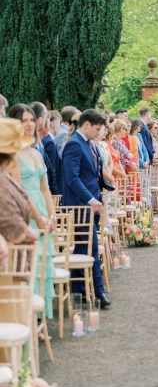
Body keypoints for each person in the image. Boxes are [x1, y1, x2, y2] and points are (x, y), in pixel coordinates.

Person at [8, 104, 57, 318]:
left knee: (42, 267)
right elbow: (19, 192)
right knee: (29, 266)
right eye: (23, 120)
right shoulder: (12, 155)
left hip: (43, 212)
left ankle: (40, 319)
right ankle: (28, 318)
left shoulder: (35, 153)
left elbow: (45, 189)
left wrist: (52, 215)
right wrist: (39, 217)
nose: (29, 124)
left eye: (31, 120)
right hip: (25, 214)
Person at [61, 109, 110, 308]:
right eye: (97, 129)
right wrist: (90, 199)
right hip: (80, 206)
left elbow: (94, 174)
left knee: (82, 246)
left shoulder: (90, 144)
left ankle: (78, 289)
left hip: (92, 204)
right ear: (86, 124)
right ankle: (99, 292)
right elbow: (72, 178)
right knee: (91, 246)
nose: (99, 133)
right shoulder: (74, 145)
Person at [0, 118, 38, 244]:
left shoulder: (5, 175)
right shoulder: (2, 182)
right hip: (10, 257)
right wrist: (31, 233)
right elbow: (9, 221)